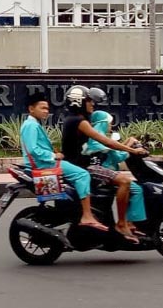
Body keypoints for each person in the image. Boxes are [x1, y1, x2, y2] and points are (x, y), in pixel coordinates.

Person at [61, 85, 148, 243]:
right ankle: (121, 224)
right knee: (125, 181)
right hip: (85, 167)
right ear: (78, 102)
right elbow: (106, 142)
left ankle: (125, 222)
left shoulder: (73, 120)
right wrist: (132, 150)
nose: (92, 104)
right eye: (88, 101)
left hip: (81, 165)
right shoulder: (80, 121)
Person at [20, 91, 107, 231]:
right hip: (44, 164)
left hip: (42, 162)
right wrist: (53, 156)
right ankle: (87, 216)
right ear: (31, 109)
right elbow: (33, 149)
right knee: (82, 174)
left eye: (47, 109)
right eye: (42, 108)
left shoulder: (32, 124)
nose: (46, 111)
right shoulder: (31, 125)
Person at [84, 109, 147, 236]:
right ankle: (127, 223)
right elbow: (118, 156)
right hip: (101, 173)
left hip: (103, 172)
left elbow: (113, 151)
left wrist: (128, 143)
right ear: (102, 123)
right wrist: (132, 149)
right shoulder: (97, 138)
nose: (110, 126)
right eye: (109, 123)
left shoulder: (95, 136)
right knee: (136, 189)